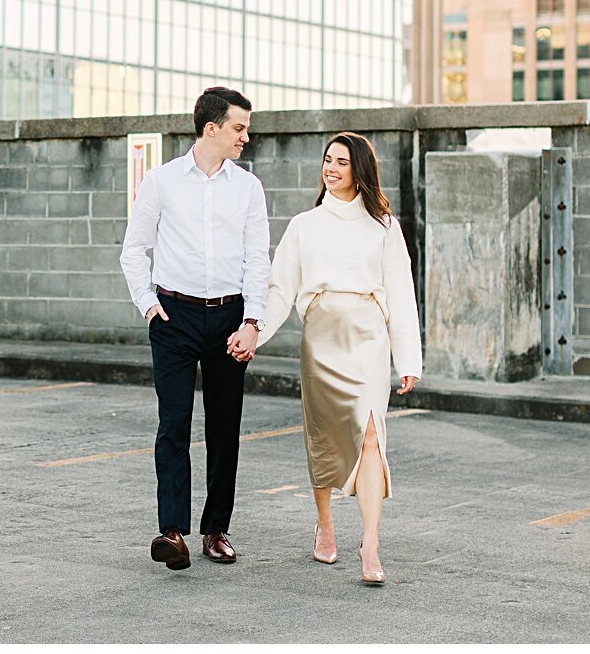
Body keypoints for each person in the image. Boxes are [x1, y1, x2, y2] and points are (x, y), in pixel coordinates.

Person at [240, 131, 421, 585]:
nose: (332, 168)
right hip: (321, 340)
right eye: (327, 160)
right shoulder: (305, 225)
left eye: (341, 161)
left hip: (368, 340)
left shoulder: (384, 226)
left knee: (371, 437)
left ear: (359, 168)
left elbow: (401, 292)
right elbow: (280, 288)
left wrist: (409, 358)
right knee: (322, 437)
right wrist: (254, 334)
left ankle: (371, 543)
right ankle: (324, 525)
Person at [119, 86, 271, 570]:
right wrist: (148, 305)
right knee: (174, 423)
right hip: (174, 317)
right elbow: (133, 251)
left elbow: (256, 262)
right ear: (212, 128)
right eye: (239, 128)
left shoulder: (248, 187)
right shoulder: (162, 182)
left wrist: (252, 323)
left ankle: (215, 530)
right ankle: (171, 532)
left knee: (225, 428)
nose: (245, 137)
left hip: (229, 318)